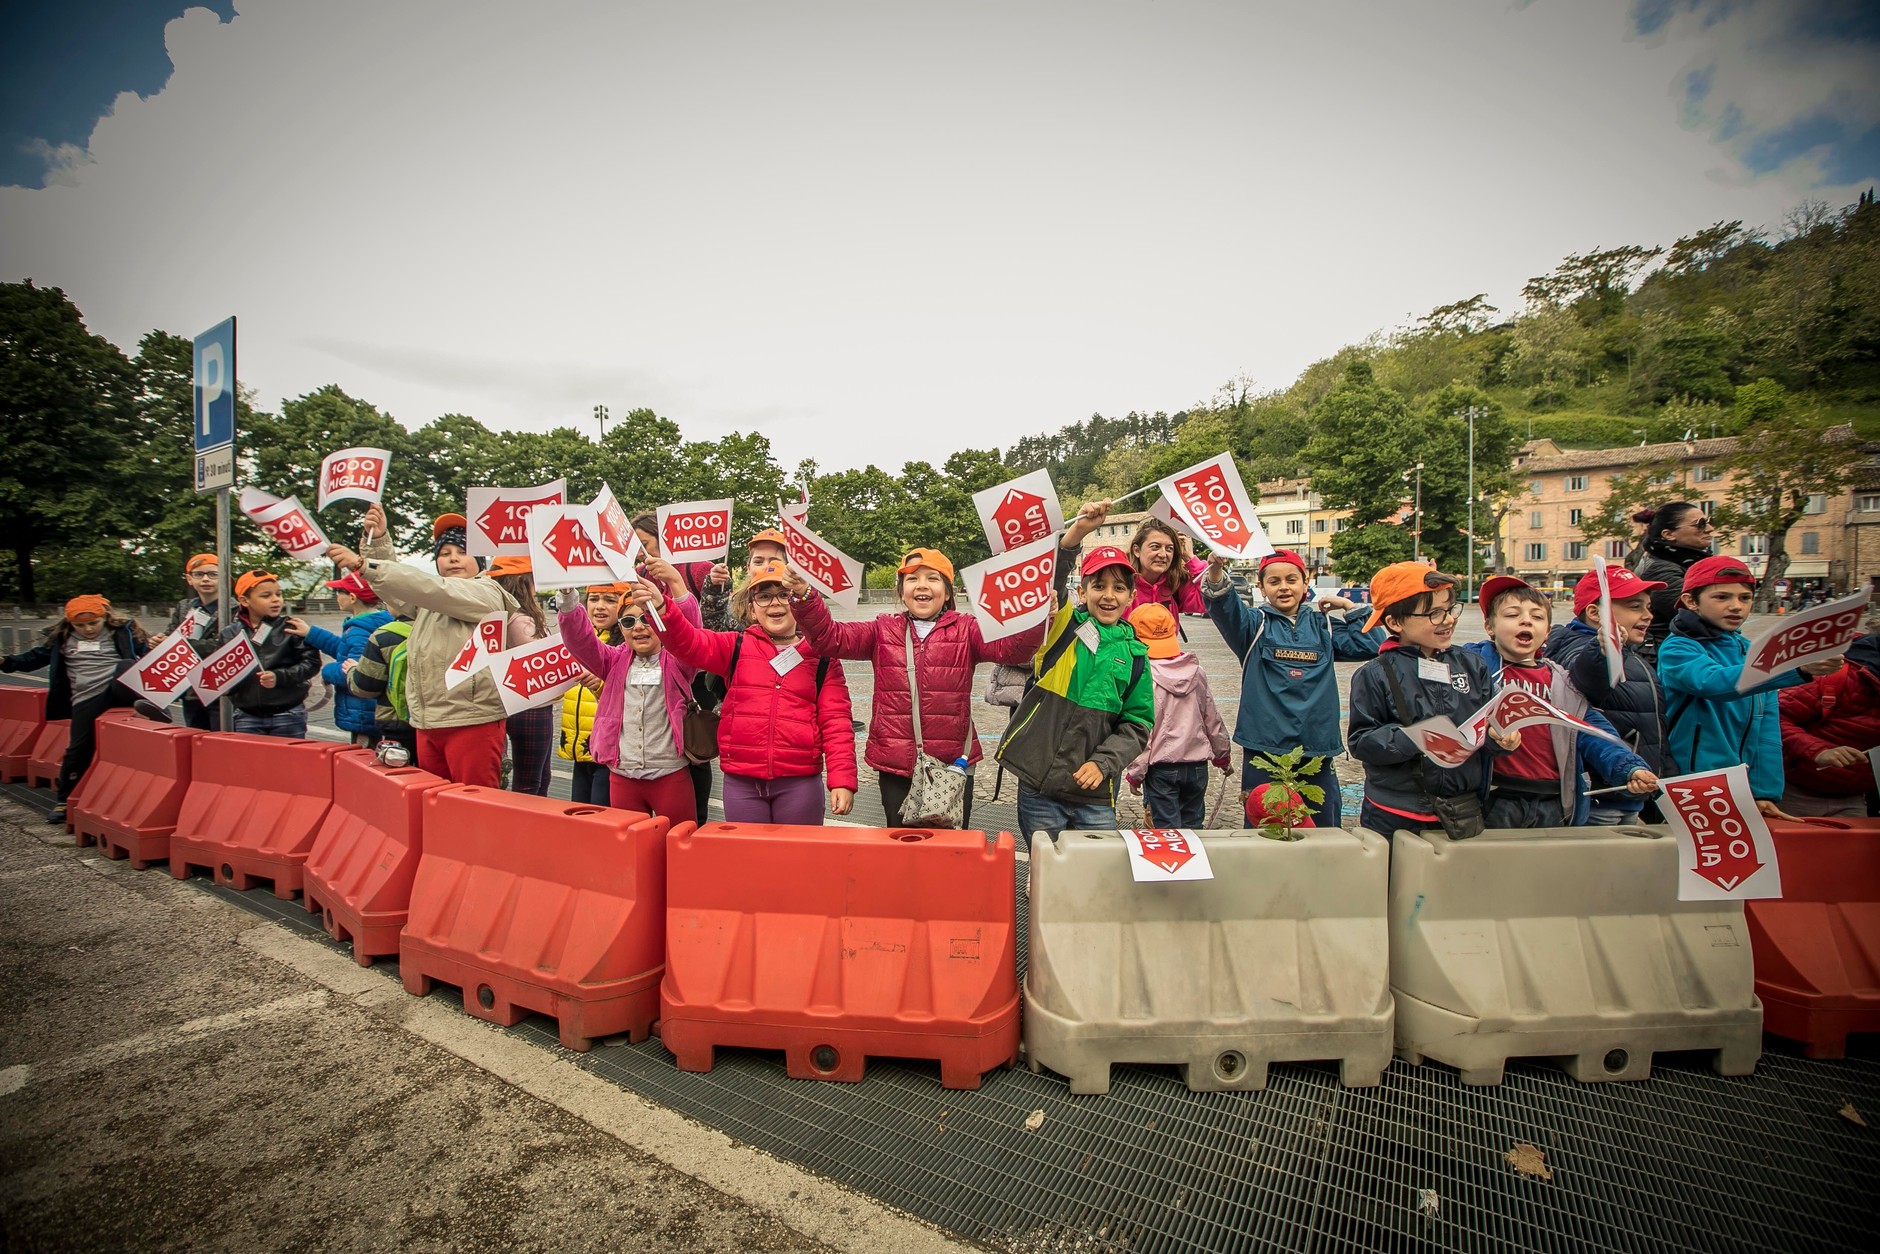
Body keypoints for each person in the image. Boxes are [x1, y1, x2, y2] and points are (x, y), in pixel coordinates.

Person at [792, 546, 1046, 828]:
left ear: (948, 592)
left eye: (933, 578)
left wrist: (1037, 615)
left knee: (951, 853)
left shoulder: (968, 629)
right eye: (912, 579)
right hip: (897, 766)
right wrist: (805, 597)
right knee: (903, 851)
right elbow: (830, 638)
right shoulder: (882, 629)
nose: (922, 585)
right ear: (901, 591)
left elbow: (1014, 651)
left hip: (953, 766)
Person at [646, 556, 856, 824]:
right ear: (753, 609)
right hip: (741, 782)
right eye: (764, 596)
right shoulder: (735, 645)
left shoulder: (823, 656)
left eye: (784, 594)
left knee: (798, 861)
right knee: (747, 861)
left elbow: (836, 721)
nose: (775, 603)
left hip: (800, 781)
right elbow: (687, 642)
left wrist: (842, 780)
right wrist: (663, 608)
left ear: (799, 605)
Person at [326, 505, 517, 787]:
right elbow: (398, 590)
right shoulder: (430, 604)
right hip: (427, 723)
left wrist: (364, 566)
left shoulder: (487, 592)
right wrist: (378, 542)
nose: (453, 560)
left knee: (476, 808)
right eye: (444, 553)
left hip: (472, 722)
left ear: (480, 560)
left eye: (462, 552)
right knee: (435, 804)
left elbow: (432, 589)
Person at [1196, 548, 1383, 827]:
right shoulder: (1253, 626)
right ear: (1261, 587)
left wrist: (1350, 608)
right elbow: (1224, 606)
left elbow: (1370, 644)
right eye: (1274, 581)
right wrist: (1215, 570)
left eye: (1291, 579)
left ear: (1305, 583)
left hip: (1316, 746)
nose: (1283, 587)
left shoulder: (1324, 627)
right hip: (1265, 748)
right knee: (1265, 827)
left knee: (1323, 829)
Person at [1462, 576, 1656, 827]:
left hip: (1554, 800)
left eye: (1537, 617)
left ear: (1547, 633)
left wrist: (1629, 768)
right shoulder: (1473, 667)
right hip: (1495, 798)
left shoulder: (1561, 682)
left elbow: (1594, 733)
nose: (1525, 620)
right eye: (1512, 615)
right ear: (1489, 627)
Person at [1658, 555, 1839, 821]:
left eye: (1745, 598)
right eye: (1722, 597)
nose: (1736, 606)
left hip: (1741, 787)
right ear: (1690, 601)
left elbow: (1767, 729)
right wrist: (1795, 668)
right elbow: (1714, 682)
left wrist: (1764, 792)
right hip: (1691, 785)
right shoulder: (1679, 647)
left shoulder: (1751, 652)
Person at [996, 544, 1155, 841]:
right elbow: (1051, 580)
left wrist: (1103, 763)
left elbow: (1138, 723)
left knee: (1092, 870)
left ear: (1131, 597)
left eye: (1119, 588)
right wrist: (1073, 539)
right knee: (1045, 864)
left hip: (1093, 794)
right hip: (1038, 782)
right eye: (1099, 586)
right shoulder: (1063, 628)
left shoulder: (1136, 657)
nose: (1109, 595)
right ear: (1082, 593)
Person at [1346, 562, 1517, 838]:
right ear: (1395, 622)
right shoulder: (1375, 674)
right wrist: (1414, 738)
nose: (1448, 620)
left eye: (1450, 609)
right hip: (1395, 812)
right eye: (1434, 614)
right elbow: (1362, 742)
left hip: (1462, 809)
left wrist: (1501, 741)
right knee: (1395, 879)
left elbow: (1488, 724)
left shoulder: (1472, 665)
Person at [557, 579, 701, 823]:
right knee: (631, 850)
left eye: (647, 618)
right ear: (621, 628)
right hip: (622, 775)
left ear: (661, 622)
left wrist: (675, 583)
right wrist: (567, 593)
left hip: (670, 773)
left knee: (679, 845)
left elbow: (691, 633)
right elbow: (580, 640)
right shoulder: (612, 661)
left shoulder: (679, 660)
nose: (638, 627)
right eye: (628, 621)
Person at [1, 596, 150, 822]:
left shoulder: (121, 632)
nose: (88, 629)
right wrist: (6, 662)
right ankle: (64, 799)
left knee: (127, 665)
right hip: (87, 696)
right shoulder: (63, 639)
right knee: (78, 748)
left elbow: (150, 653)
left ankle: (148, 706)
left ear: (105, 617)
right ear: (70, 624)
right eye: (80, 626)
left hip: (118, 688)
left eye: (93, 623)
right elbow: (33, 659)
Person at [1545, 566, 1675, 824]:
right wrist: (1602, 651)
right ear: (1595, 613)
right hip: (1599, 798)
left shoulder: (1633, 654)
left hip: (1634, 792)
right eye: (1635, 606)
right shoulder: (1581, 649)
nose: (1649, 615)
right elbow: (1586, 680)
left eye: (1649, 607)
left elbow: (1654, 729)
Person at [632, 511, 733, 822]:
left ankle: (696, 819)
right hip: (653, 668)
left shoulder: (698, 568)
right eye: (636, 545)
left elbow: (713, 622)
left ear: (663, 541)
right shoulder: (638, 573)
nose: (640, 552)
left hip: (694, 674)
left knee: (693, 746)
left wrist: (717, 584)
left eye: (646, 543)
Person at [1122, 603, 1232, 827]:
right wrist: (1222, 756)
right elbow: (1212, 718)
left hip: (1162, 769)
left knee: (1167, 832)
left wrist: (1136, 772)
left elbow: (1145, 732)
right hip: (1198, 766)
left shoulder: (1145, 677)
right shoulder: (1196, 672)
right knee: (1193, 827)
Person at [283, 572, 392, 746]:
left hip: (363, 711)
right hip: (372, 708)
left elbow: (357, 672)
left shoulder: (359, 631)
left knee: (364, 757)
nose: (336, 596)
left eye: (339, 592)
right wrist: (311, 633)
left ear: (352, 597)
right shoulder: (373, 622)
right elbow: (344, 650)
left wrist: (327, 671)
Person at [1779, 635, 1880, 817]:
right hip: (1796, 791)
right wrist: (1818, 751)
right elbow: (1775, 718)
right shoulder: (1841, 677)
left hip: (1857, 796)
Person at [218, 571, 322, 738]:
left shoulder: (292, 627)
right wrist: (224, 686)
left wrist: (279, 677)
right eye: (266, 596)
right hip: (247, 714)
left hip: (288, 713)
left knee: (289, 761)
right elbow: (224, 671)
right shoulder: (230, 633)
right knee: (252, 762)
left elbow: (311, 664)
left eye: (279, 594)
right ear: (244, 601)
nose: (275, 599)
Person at [1061, 504, 1208, 617]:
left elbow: (1205, 604)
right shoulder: (1120, 582)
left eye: (1169, 548)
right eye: (1155, 547)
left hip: (1165, 655)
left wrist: (1190, 558)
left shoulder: (1175, 582)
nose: (1163, 554)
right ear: (1137, 550)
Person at [488, 555, 554, 796]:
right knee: (533, 781)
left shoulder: (504, 615)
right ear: (525, 582)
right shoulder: (521, 619)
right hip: (533, 705)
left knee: (537, 777)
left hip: (517, 703)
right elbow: (543, 661)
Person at [559, 584, 628, 805]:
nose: (599, 606)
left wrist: (600, 685)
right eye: (594, 599)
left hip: (609, 755)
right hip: (579, 751)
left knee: (602, 819)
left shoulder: (629, 646)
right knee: (579, 818)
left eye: (609, 600)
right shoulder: (571, 642)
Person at [1632, 503, 1716, 661]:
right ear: (1669, 534)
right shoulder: (1660, 570)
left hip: (1685, 652)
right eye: (1700, 524)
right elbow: (1705, 615)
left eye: (1709, 520)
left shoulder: (1680, 561)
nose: (1710, 528)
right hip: (1669, 658)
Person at [346, 611, 417, 760]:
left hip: (397, 722)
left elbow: (365, 687)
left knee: (401, 773)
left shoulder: (385, 636)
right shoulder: (446, 630)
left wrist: (352, 670)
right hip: (439, 722)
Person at [167, 552, 223, 730]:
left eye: (213, 574)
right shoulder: (184, 607)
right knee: (194, 733)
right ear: (189, 579)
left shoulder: (235, 609)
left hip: (219, 686)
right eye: (199, 574)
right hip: (189, 686)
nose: (206, 579)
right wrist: (160, 641)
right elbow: (171, 634)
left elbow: (224, 644)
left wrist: (186, 645)